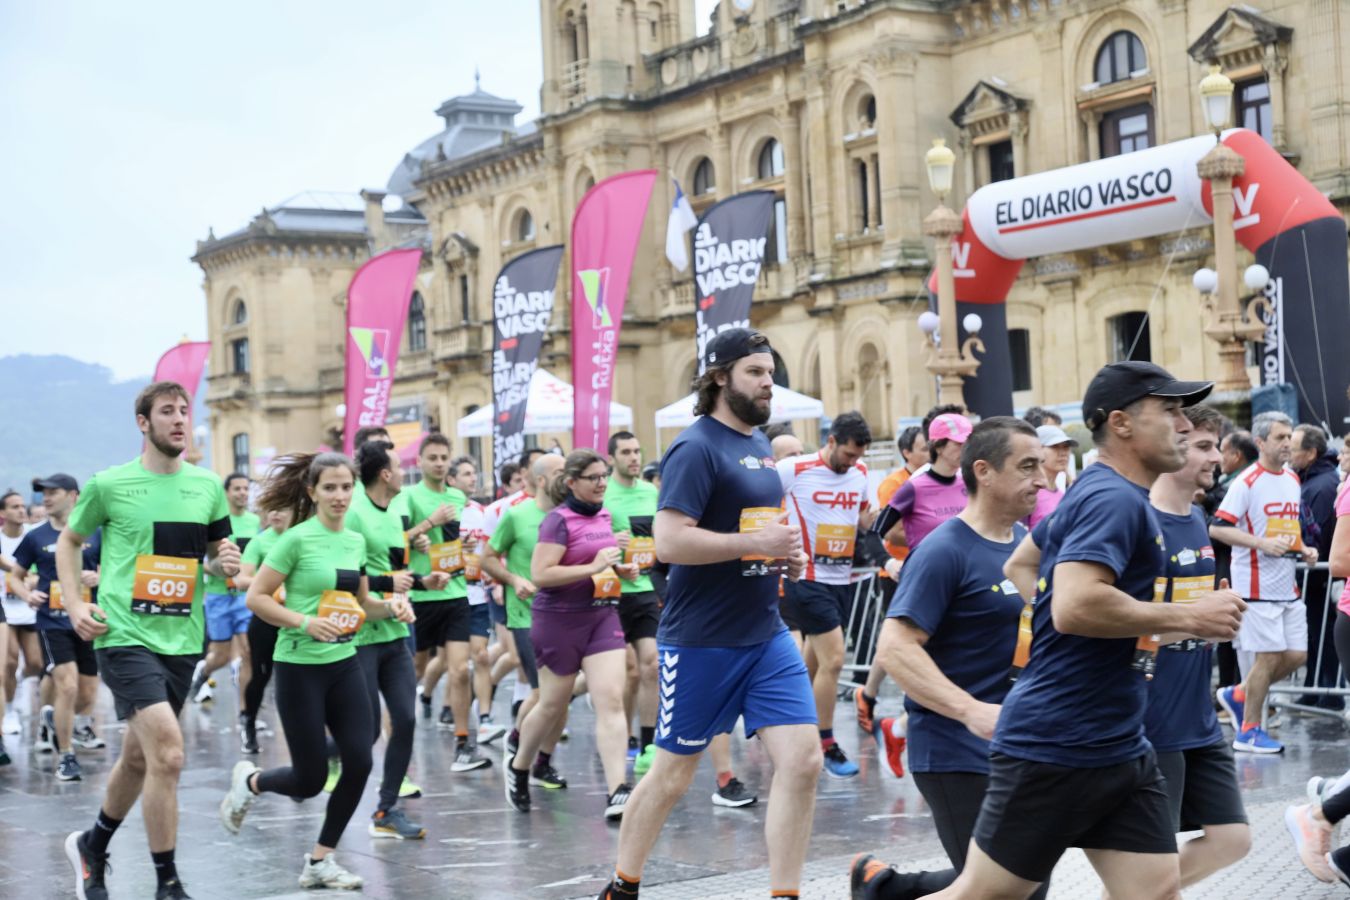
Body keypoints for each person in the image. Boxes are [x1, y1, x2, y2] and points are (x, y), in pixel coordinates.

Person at [916, 361, 1246, 900]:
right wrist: (1188, 616)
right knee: (984, 895)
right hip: (1057, 742)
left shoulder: (1102, 491)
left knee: (1156, 889)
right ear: (1121, 423)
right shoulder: (1113, 499)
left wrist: (1081, 628)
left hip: (1118, 739)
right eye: (1168, 410)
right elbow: (1075, 605)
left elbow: (1022, 565)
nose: (1184, 425)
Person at [600, 328, 815, 900]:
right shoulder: (695, 447)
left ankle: (785, 894)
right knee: (673, 775)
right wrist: (756, 545)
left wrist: (780, 556)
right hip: (701, 640)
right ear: (719, 378)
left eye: (770, 373)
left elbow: (751, 531)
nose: (768, 383)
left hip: (765, 633)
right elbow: (670, 542)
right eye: (755, 372)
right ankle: (622, 886)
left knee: (803, 761)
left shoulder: (760, 443)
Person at [851, 417, 1047, 900]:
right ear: (984, 471)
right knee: (1005, 890)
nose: (1042, 479)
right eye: (1027, 467)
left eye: (1041, 466)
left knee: (1013, 884)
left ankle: (885, 889)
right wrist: (970, 711)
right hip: (955, 752)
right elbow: (894, 648)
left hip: (1019, 746)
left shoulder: (1025, 547)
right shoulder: (944, 550)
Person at [61, 381, 240, 900]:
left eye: (184, 410)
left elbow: (213, 557)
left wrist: (224, 563)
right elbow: (70, 542)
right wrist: (75, 605)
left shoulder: (207, 486)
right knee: (170, 753)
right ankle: (168, 883)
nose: (180, 419)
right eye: (167, 411)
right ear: (143, 423)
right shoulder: (110, 484)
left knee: (140, 759)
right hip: (122, 634)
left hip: (181, 638)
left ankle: (92, 845)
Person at [219, 452, 416, 890]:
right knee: (309, 781)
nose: (339, 496)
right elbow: (256, 598)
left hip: (344, 663)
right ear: (312, 492)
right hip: (299, 667)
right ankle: (251, 781)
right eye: (330, 487)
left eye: (346, 487)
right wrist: (304, 622)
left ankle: (320, 860)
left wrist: (393, 608)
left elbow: (361, 604)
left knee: (360, 761)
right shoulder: (295, 540)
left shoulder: (354, 541)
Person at [505, 449, 639, 819]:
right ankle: (519, 765)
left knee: (611, 700)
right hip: (558, 620)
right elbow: (541, 574)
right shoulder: (557, 521)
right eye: (593, 477)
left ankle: (617, 790)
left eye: (604, 476)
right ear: (572, 482)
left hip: (601, 615)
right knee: (552, 704)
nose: (601, 483)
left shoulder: (605, 515)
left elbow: (599, 561)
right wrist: (593, 566)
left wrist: (618, 570)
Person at [347, 440, 449, 839]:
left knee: (405, 720)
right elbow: (347, 578)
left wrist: (422, 581)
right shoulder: (354, 512)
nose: (405, 472)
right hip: (360, 635)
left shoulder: (393, 513)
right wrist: (393, 586)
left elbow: (394, 571)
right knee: (367, 731)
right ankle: (315, 757)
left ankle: (386, 809)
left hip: (395, 631)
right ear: (385, 474)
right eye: (399, 466)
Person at [859, 409, 972, 739]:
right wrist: (889, 564)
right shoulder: (914, 487)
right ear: (939, 445)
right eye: (959, 443)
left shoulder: (969, 484)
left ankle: (904, 731)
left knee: (958, 664)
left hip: (964, 585)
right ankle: (910, 732)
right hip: (926, 587)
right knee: (928, 667)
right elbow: (873, 532)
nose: (965, 449)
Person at [1213, 411, 1319, 754]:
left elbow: (1287, 526)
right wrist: (1260, 544)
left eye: (1289, 436)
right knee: (1269, 658)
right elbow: (1218, 528)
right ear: (1260, 442)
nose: (1288, 443)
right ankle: (1249, 730)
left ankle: (1239, 693)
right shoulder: (1246, 482)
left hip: (1287, 586)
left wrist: (1303, 549)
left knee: (1297, 655)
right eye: (1280, 437)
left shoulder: (1291, 478)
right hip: (1255, 587)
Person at [778, 411, 875, 778]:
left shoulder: (860, 471)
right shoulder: (794, 469)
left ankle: (788, 721)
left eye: (857, 456)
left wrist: (883, 517)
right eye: (848, 454)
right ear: (831, 441)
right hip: (805, 577)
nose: (851, 462)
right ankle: (826, 743)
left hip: (841, 578)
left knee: (813, 663)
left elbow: (864, 518)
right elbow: (754, 502)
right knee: (834, 660)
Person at [481, 452, 568, 788]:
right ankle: (520, 748)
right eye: (560, 472)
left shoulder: (573, 515)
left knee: (560, 698)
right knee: (545, 694)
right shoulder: (516, 516)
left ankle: (538, 758)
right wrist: (513, 580)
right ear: (542, 480)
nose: (567, 477)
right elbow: (488, 558)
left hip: (569, 618)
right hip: (526, 617)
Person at [10, 474, 104, 781]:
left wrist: (99, 577)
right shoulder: (36, 537)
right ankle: (66, 755)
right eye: (44, 493)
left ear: (74, 496)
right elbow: (15, 576)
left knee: (87, 694)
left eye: (53, 492)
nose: (46, 498)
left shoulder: (95, 532)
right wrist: (27, 595)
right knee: (68, 685)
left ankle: (53, 719)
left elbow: (113, 569)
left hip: (88, 620)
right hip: (52, 620)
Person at [403, 434, 486, 771]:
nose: (439, 463)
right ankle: (399, 734)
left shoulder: (456, 496)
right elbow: (395, 540)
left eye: (443, 457)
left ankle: (463, 743)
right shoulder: (409, 496)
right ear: (420, 462)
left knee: (460, 670)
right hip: (421, 594)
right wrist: (427, 524)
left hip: (455, 592)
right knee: (416, 669)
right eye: (432, 457)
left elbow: (449, 542)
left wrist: (463, 547)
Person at [854, 423, 932, 732]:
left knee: (907, 640)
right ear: (906, 452)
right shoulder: (895, 483)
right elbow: (889, 532)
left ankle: (870, 693)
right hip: (898, 573)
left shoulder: (939, 480)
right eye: (924, 448)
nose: (930, 453)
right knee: (901, 640)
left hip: (931, 571)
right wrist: (935, 533)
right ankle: (901, 704)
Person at [605, 431, 662, 774]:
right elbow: (587, 537)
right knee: (628, 671)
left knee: (652, 665)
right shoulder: (603, 493)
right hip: (612, 591)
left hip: (644, 587)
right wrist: (611, 540)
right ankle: (622, 736)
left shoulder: (650, 492)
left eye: (637, 451)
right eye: (626, 452)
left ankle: (648, 743)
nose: (634, 457)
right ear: (612, 458)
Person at [189, 473, 260, 707]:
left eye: (246, 488)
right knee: (221, 656)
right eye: (237, 489)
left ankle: (246, 711)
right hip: (218, 596)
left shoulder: (254, 522)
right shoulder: (217, 522)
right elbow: (203, 562)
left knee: (249, 652)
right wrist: (223, 571)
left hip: (244, 597)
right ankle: (203, 670)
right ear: (226, 493)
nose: (242, 493)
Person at [235, 506, 293, 753]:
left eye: (281, 508)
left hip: (296, 620)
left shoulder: (301, 537)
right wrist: (273, 585)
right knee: (261, 675)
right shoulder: (259, 542)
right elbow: (241, 580)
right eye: (271, 509)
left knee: (298, 678)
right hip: (265, 618)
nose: (275, 514)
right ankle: (248, 722)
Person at [1291, 424, 1341, 708]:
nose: (1289, 454)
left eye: (1293, 448)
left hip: (1319, 577)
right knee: (1314, 635)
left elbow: (1319, 536)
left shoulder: (1321, 486)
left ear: (1310, 453)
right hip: (1315, 576)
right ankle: (1314, 690)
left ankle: (1329, 693)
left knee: (1323, 634)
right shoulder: (1311, 481)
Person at [1, 489, 42, 745]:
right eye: (14, 507)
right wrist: (20, 573)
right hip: (5, 607)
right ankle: (10, 709)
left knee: (36, 662)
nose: (20, 510)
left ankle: (22, 686)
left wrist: (34, 579)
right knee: (9, 661)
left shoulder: (33, 536)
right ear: (2, 513)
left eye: (21, 506)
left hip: (29, 607)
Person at [1027, 424, 1076, 527]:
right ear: (1037, 450)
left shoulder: (1063, 497)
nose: (1063, 453)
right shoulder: (1029, 494)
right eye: (1055, 446)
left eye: (1066, 447)